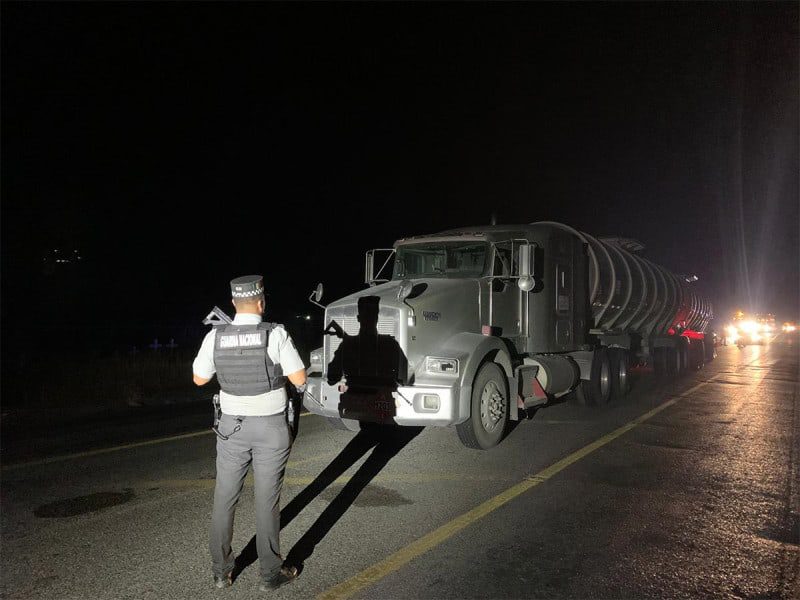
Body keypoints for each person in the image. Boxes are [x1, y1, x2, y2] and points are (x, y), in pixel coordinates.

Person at [192, 275, 306, 591]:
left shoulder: (214, 337)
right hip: (271, 428)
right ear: (261, 302)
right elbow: (298, 377)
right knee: (266, 501)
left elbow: (199, 379)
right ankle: (270, 574)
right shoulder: (276, 334)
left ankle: (221, 572)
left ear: (233, 303)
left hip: (231, 427)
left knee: (224, 498)